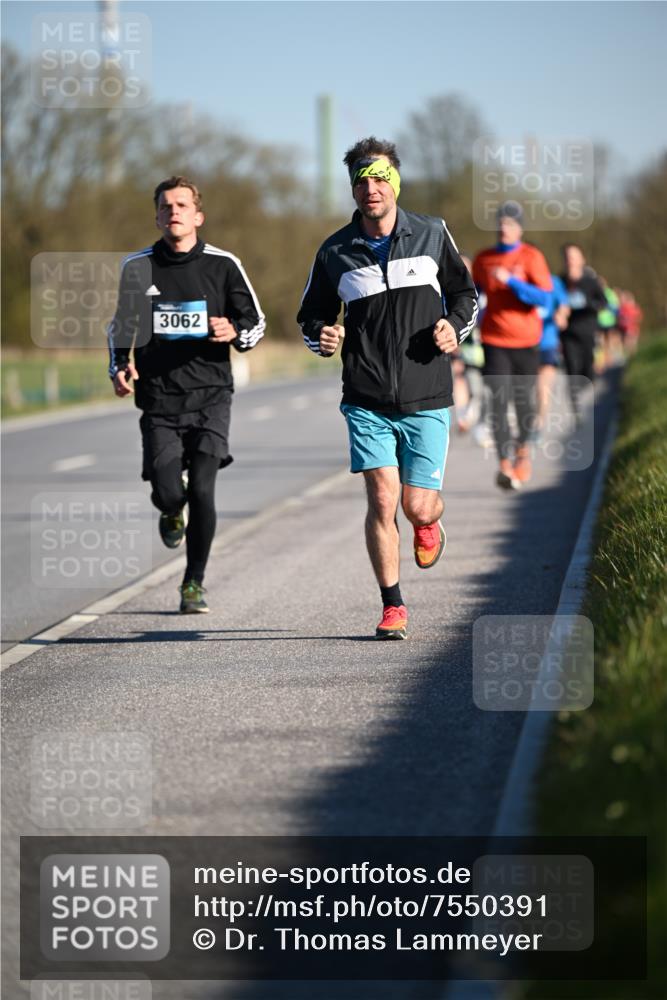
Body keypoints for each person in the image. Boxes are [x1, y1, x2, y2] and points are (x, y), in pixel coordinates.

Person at [297, 137, 478, 640]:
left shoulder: (431, 233)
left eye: (379, 178)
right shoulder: (334, 250)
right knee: (381, 498)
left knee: (416, 504)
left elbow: (466, 293)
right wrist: (322, 336)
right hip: (366, 394)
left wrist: (454, 326)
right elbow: (311, 315)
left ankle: (427, 523)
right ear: (352, 189)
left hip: (426, 391)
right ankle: (393, 604)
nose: (370, 188)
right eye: (361, 180)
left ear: (395, 182)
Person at [107, 175, 265, 613]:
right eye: (165, 206)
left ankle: (193, 583)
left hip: (212, 395)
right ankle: (169, 507)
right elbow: (121, 324)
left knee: (203, 489)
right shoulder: (137, 267)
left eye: (181, 205)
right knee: (169, 492)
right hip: (159, 398)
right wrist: (120, 366)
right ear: (157, 216)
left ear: (198, 215)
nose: (173, 211)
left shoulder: (223, 264)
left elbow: (255, 322)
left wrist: (235, 332)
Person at [472, 202, 553, 490]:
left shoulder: (531, 257)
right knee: (496, 401)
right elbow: (471, 295)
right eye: (500, 223)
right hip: (494, 341)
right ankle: (504, 463)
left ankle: (522, 453)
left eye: (509, 223)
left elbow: (545, 299)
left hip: (526, 342)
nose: (503, 227)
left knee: (524, 404)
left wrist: (514, 283)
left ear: (519, 228)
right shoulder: (483, 260)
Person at [559, 244, 607, 425]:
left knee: (587, 372)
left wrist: (587, 304)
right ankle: (576, 409)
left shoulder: (591, 281)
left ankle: (584, 398)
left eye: (573, 256)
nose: (570, 260)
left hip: (587, 331)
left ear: (582, 259)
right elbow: (553, 302)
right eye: (567, 256)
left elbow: (603, 302)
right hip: (568, 334)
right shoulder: (561, 281)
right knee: (572, 369)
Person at [535, 273, 570, 438]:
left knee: (543, 387)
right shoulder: (519, 279)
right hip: (523, 343)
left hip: (548, 342)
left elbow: (564, 303)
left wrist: (561, 315)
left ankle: (538, 424)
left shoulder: (553, 281)